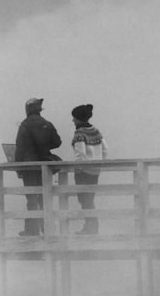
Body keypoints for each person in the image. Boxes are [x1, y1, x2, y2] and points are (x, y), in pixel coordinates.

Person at [14, 98, 63, 236]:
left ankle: (32, 230)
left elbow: (20, 147)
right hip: (45, 166)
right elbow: (57, 142)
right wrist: (44, 145)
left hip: (29, 166)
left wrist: (18, 167)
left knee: (31, 198)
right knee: (44, 197)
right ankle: (47, 228)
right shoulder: (47, 124)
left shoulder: (24, 125)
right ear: (39, 109)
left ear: (28, 109)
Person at [70, 104, 108, 235]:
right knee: (90, 198)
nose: (73, 120)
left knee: (85, 199)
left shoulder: (79, 133)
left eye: (74, 118)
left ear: (79, 119)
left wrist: (79, 169)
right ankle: (92, 226)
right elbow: (105, 149)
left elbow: (80, 155)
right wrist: (99, 163)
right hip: (95, 171)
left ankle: (90, 228)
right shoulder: (96, 131)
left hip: (83, 172)